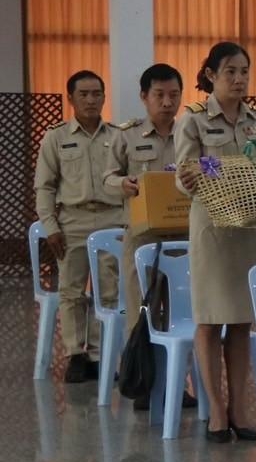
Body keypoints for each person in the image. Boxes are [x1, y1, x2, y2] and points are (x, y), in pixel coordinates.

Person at [174, 43, 256, 443]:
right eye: (230, 71)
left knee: (241, 320)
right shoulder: (194, 120)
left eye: (244, 71)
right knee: (210, 319)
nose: (239, 79)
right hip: (213, 229)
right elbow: (182, 174)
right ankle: (215, 406)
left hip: (250, 228)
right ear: (211, 75)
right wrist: (193, 177)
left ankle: (239, 408)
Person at [105, 64, 198, 411]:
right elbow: (107, 177)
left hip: (184, 237)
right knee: (142, 312)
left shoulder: (190, 132)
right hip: (142, 239)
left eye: (174, 94)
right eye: (159, 95)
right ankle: (143, 383)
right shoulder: (126, 135)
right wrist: (123, 184)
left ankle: (178, 384)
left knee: (179, 313)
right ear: (144, 97)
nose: (167, 102)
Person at [34, 70, 123, 383]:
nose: (91, 100)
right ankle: (76, 354)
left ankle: (100, 354)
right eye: (83, 94)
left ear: (103, 97)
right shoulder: (56, 137)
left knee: (108, 290)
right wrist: (51, 227)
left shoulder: (118, 136)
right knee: (71, 291)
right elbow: (44, 187)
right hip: (72, 221)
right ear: (70, 98)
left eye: (97, 93)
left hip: (113, 219)